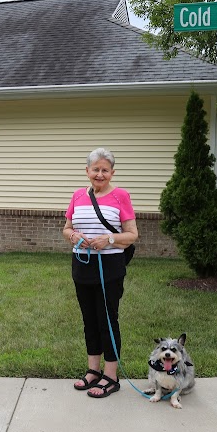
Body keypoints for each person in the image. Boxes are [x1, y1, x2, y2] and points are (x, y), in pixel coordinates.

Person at [63, 148, 138, 398]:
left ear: (112, 173)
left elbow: (132, 235)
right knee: (89, 320)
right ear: (87, 171)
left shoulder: (121, 196)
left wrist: (109, 239)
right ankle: (93, 371)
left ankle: (111, 376)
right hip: (82, 266)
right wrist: (73, 236)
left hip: (110, 268)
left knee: (107, 320)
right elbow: (66, 228)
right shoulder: (77, 195)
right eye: (95, 169)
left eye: (105, 170)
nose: (100, 174)